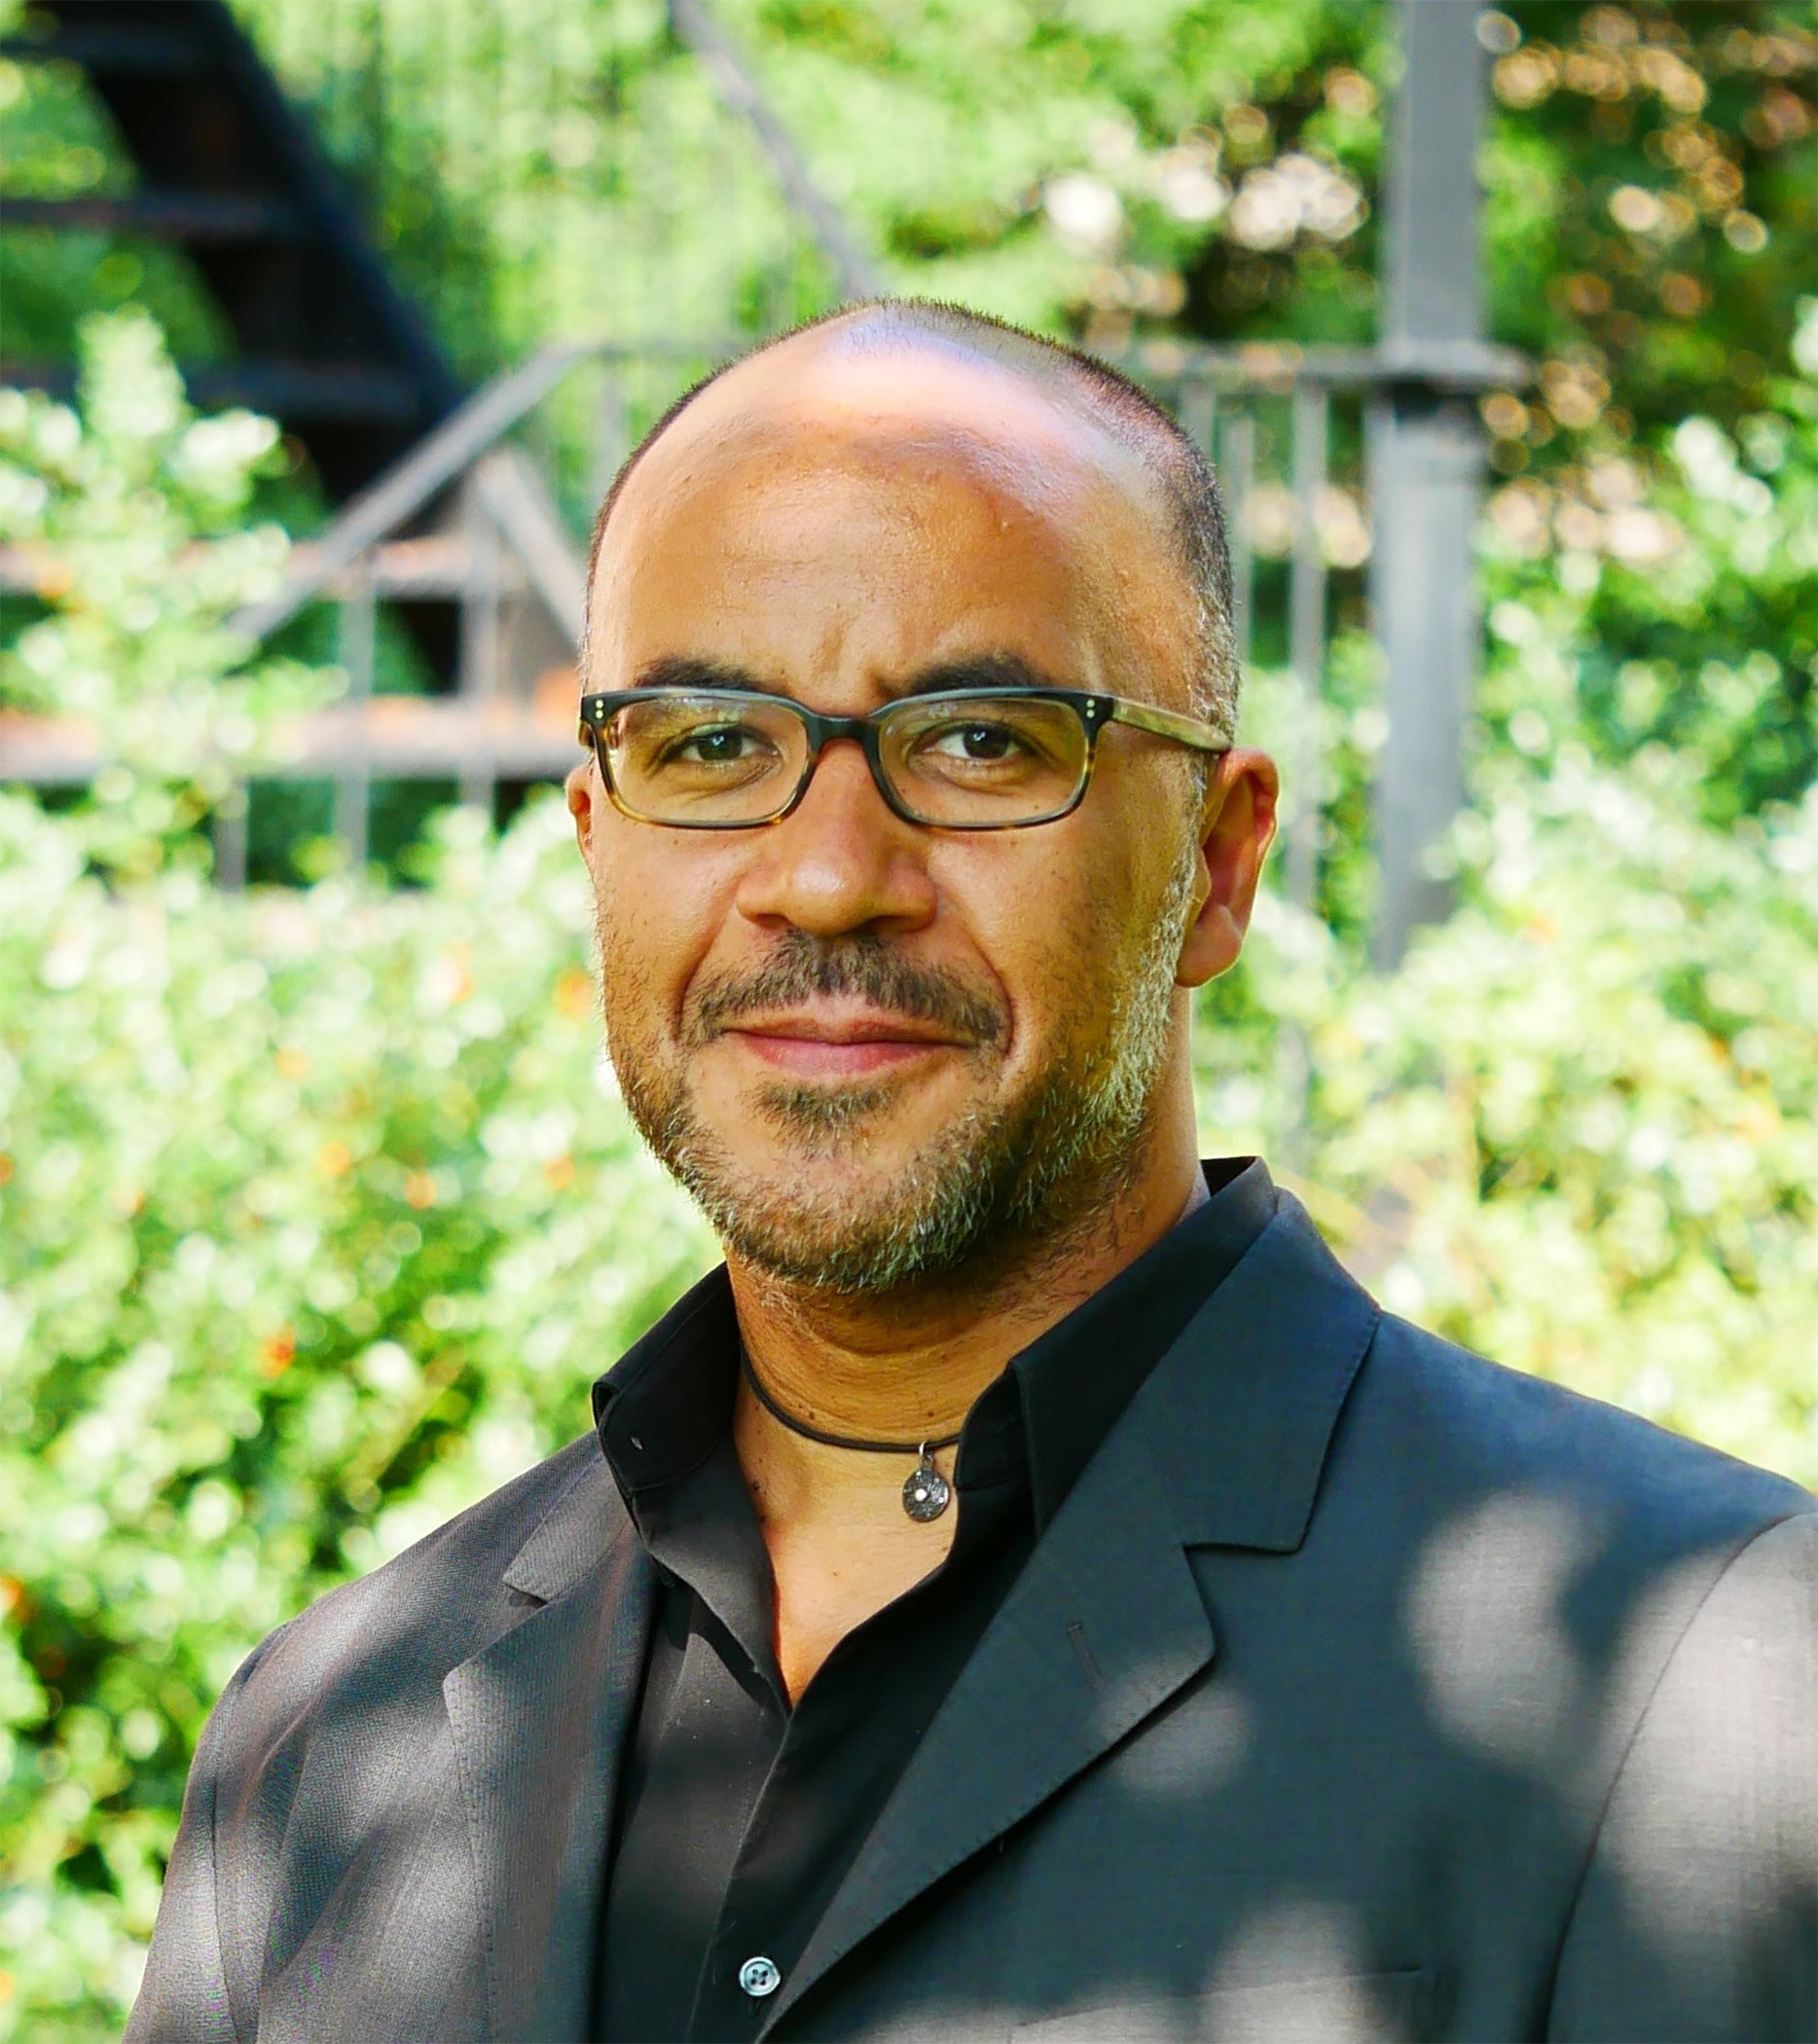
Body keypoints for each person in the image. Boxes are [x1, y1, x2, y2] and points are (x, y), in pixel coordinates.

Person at [127, 300, 1816, 2044]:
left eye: (982, 739)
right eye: (711, 743)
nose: (826, 877)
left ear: (1218, 866)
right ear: (594, 840)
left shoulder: (1706, 1685)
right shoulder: (321, 1748)